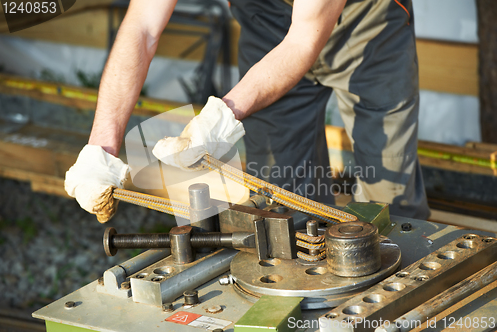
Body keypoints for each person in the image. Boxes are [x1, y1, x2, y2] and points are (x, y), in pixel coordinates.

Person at [65, 0, 430, 223]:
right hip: (266, 20)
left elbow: (303, 40)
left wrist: (222, 115)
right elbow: (143, 26)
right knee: (282, 203)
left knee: (390, 201)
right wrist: (101, 150)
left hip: (368, 24)